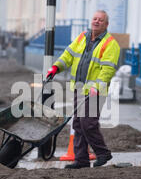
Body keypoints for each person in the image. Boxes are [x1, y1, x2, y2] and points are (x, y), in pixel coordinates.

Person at [46, 10, 120, 169]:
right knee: (78, 124)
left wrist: (97, 87)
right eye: (95, 18)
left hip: (95, 92)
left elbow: (107, 70)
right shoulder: (82, 38)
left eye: (101, 20)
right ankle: (81, 160)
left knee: (88, 123)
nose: (96, 21)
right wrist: (55, 67)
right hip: (79, 89)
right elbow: (68, 55)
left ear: (106, 24)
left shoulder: (110, 44)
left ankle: (103, 153)